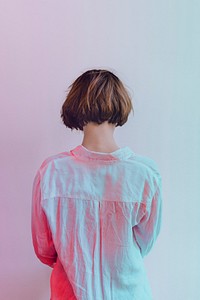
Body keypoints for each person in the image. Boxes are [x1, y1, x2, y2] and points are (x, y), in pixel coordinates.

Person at [31, 69, 162, 300]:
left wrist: (75, 259)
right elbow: (144, 243)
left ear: (75, 105)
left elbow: (44, 249)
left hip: (69, 293)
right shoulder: (145, 174)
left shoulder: (51, 171)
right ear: (121, 104)